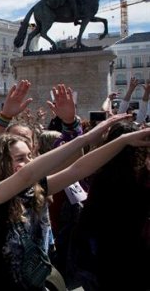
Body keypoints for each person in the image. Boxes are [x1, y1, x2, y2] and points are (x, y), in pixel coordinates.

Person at [0, 110, 150, 290]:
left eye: (30, 156)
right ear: (0, 163)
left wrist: (123, 140)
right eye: (20, 158)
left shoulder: (32, 189)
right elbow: (27, 174)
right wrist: (86, 138)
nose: (28, 162)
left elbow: (78, 169)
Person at [74, 121, 150, 290]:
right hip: (137, 250)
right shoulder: (143, 177)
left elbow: (89, 217)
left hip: (106, 250)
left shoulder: (101, 174)